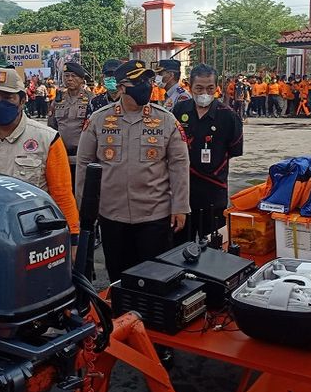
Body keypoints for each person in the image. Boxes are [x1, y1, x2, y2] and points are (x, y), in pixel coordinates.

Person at [75, 59, 190, 283]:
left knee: (156, 280)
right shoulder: (99, 120)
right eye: (138, 81)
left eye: (147, 80)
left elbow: (179, 165)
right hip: (112, 215)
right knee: (119, 279)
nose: (146, 85)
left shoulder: (165, 120)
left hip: (155, 216)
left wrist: (180, 206)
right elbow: (84, 165)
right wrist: (85, 209)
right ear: (120, 87)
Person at [0, 67, 80, 257]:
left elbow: (63, 195)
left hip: (34, 239)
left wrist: (73, 240)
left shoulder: (47, 139)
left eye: (8, 97)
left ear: (23, 100)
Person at [172, 64, 242, 244]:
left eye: (210, 88)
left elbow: (234, 150)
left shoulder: (229, 116)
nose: (205, 93)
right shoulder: (178, 111)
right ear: (190, 87)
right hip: (182, 193)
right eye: (199, 88)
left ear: (217, 87)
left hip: (213, 192)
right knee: (179, 246)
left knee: (212, 247)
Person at [48, 62, 92, 181]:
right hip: (62, 155)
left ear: (82, 79)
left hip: (83, 155)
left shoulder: (90, 99)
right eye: (66, 76)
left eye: (73, 76)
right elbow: (51, 127)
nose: (69, 79)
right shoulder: (58, 100)